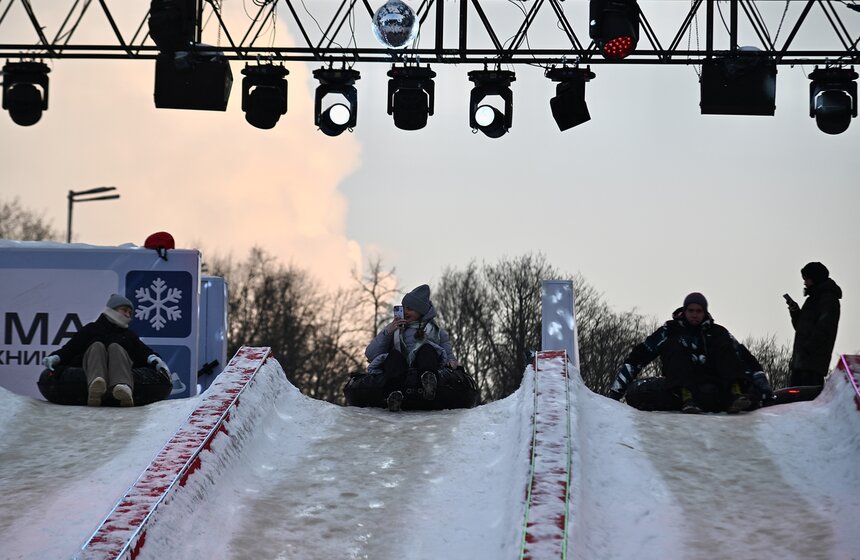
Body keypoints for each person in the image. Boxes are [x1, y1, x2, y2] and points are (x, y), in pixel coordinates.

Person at [608, 292, 772, 414]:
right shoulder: (670, 330)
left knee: (725, 346)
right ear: (685, 311)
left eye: (699, 311)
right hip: (681, 386)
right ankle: (687, 397)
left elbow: (746, 359)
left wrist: (766, 393)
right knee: (673, 345)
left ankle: (735, 393)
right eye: (691, 310)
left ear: (705, 312)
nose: (694, 315)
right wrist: (616, 393)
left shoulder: (718, 332)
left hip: (716, 385)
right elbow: (640, 355)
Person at [348, 284, 477, 412]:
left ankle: (428, 382)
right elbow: (371, 354)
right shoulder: (394, 329)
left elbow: (448, 353)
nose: (405, 311)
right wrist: (388, 332)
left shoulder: (437, 331)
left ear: (420, 311)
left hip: (424, 365)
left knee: (427, 349)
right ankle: (394, 394)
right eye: (403, 308)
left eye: (409, 309)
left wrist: (453, 364)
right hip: (400, 368)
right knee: (394, 356)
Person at [41, 293, 169, 407]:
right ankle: (96, 386)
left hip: (121, 365)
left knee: (115, 348)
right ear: (112, 309)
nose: (128, 315)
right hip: (91, 366)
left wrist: (154, 360)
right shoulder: (91, 329)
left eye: (130, 313)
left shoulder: (129, 335)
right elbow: (70, 349)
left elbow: (143, 352)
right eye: (124, 310)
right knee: (97, 346)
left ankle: (123, 388)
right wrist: (56, 357)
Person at [786, 262, 842, 387]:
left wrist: (807, 348)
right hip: (801, 363)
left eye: (807, 279)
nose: (805, 283)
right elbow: (801, 329)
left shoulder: (828, 299)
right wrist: (795, 312)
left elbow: (825, 329)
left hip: (812, 365)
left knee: (807, 400)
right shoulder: (813, 299)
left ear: (815, 278)